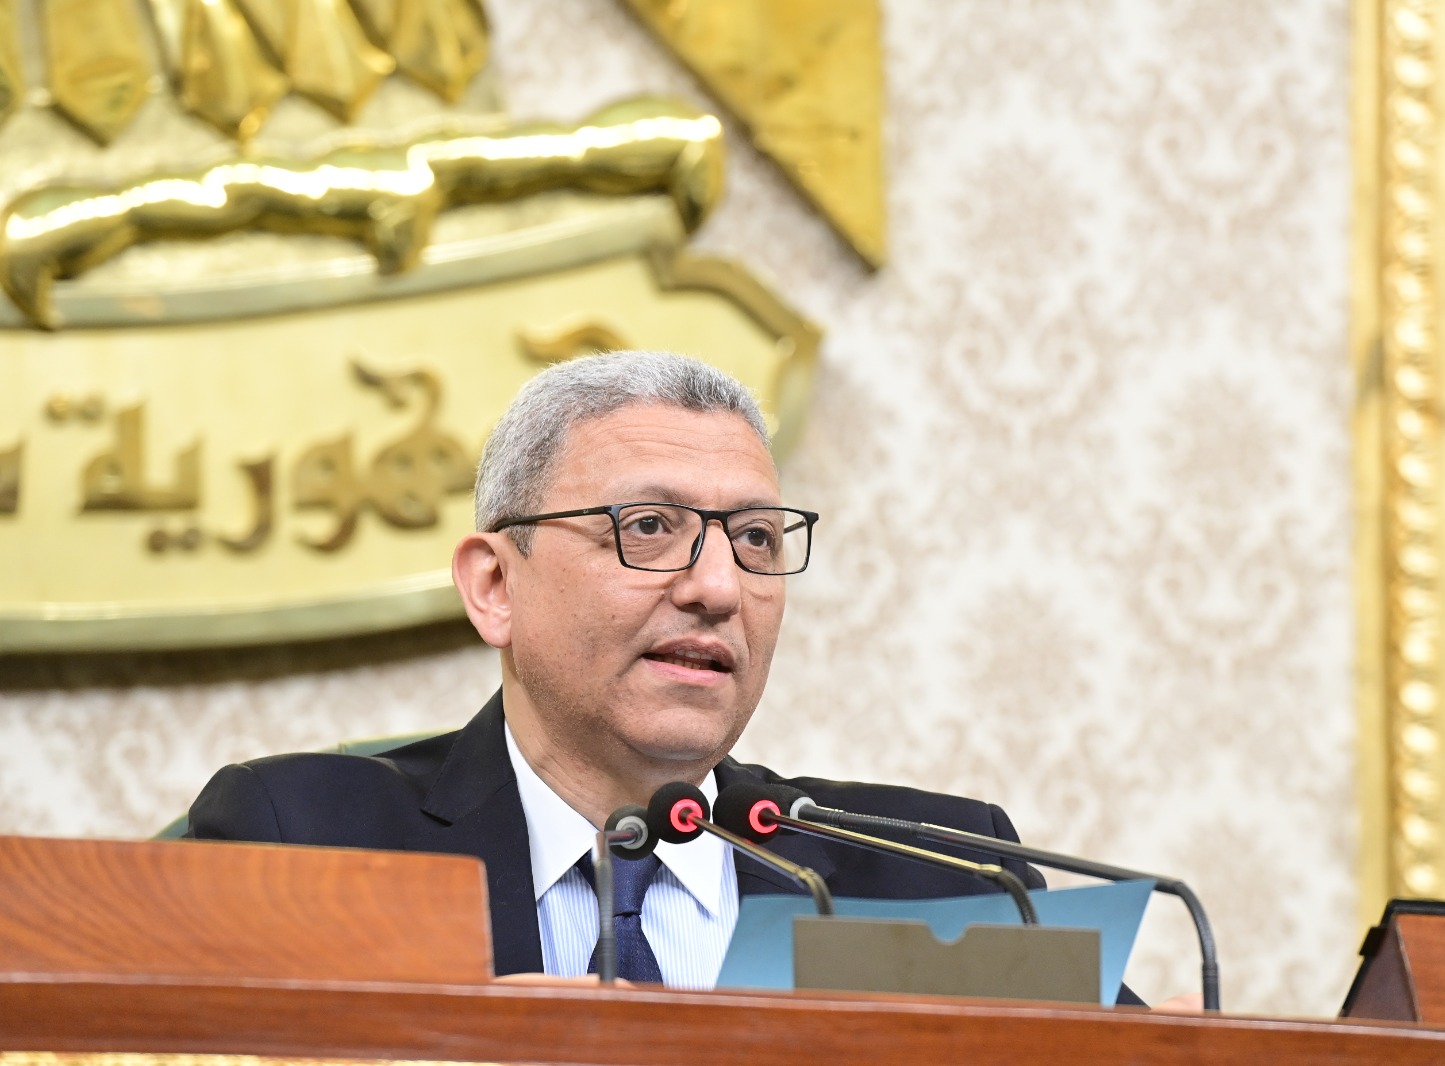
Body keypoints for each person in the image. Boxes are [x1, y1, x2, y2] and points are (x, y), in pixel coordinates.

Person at [186, 351, 1063, 991]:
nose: (718, 587)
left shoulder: (945, 879)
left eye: (756, 538)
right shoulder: (304, 844)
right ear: (495, 586)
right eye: (647, 527)